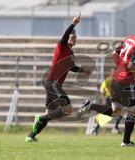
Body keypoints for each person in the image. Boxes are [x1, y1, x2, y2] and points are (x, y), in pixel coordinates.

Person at [78, 19, 135, 147]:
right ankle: (126, 142)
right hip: (126, 82)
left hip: (115, 79)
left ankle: (91, 106)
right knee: (132, 111)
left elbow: (114, 54)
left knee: (115, 111)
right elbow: (131, 65)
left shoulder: (128, 39)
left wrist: (120, 67)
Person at [25, 14, 90, 142]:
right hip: (53, 84)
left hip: (52, 84)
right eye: (72, 37)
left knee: (48, 113)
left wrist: (82, 70)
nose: (74, 39)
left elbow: (71, 67)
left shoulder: (70, 53)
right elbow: (65, 36)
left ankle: (30, 136)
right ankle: (40, 119)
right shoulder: (62, 46)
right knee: (68, 110)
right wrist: (73, 24)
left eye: (75, 37)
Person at [91, 69, 122, 135]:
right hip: (110, 99)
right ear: (111, 73)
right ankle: (96, 129)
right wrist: (104, 99)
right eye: (113, 72)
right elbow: (102, 90)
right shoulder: (108, 80)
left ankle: (96, 129)